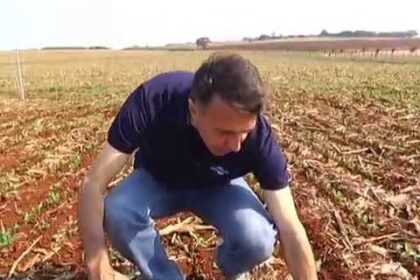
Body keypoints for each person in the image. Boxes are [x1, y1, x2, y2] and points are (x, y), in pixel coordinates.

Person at [77, 52, 318, 280]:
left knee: (258, 238)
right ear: (194, 110)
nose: (236, 145)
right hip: (157, 179)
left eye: (244, 132)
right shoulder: (154, 99)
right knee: (119, 210)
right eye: (224, 132)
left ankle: (231, 267)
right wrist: (96, 257)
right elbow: (93, 183)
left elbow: (290, 226)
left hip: (218, 184)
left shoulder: (259, 137)